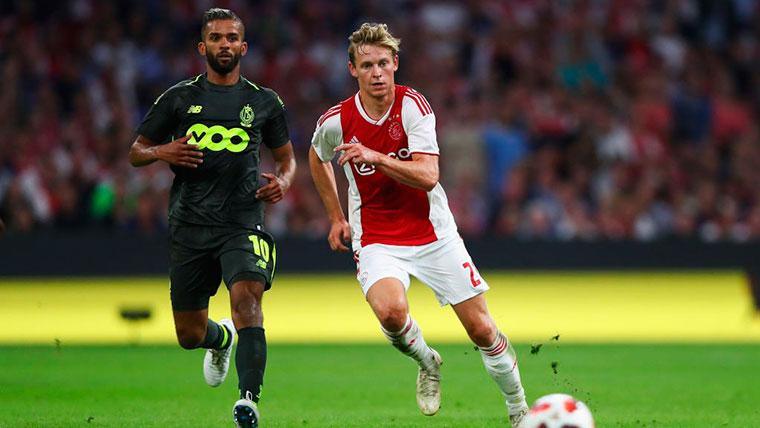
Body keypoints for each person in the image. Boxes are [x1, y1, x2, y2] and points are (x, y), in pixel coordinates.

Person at [309, 23, 529, 427]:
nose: (376, 73)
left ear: (395, 63)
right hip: (376, 236)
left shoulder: (413, 106)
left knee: (481, 329)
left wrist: (376, 157)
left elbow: (428, 175)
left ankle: (519, 409)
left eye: (382, 63)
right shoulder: (336, 121)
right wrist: (336, 216)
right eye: (366, 65)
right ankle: (427, 361)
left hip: (432, 232)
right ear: (352, 69)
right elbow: (316, 155)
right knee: (391, 315)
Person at [128, 8, 295, 428]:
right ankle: (220, 340)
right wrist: (162, 151)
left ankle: (248, 401)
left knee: (248, 301)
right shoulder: (178, 98)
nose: (224, 44)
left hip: (242, 220)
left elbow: (287, 159)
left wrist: (284, 181)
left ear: (244, 47)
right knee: (189, 334)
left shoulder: (264, 101)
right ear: (202, 47)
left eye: (231, 38)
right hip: (190, 223)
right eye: (216, 38)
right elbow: (136, 151)